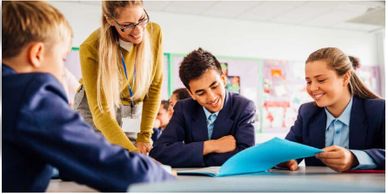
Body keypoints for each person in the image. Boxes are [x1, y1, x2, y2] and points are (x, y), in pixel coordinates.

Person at [2, 1, 174, 192]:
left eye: (141, 20)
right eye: (63, 59)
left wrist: (143, 138)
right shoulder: (31, 96)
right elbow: (99, 158)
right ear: (37, 54)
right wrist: (160, 173)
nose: (62, 71)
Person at [74, 1, 163, 154]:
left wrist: (144, 136)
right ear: (110, 20)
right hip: (97, 109)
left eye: (141, 19)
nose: (138, 30)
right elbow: (101, 112)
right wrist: (133, 155)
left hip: (132, 104)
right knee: (101, 159)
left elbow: (154, 87)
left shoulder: (154, 32)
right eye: (127, 25)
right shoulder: (91, 47)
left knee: (135, 157)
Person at [280, 47, 385, 172]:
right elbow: (287, 151)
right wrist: (285, 160)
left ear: (345, 78)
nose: (312, 88)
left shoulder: (379, 110)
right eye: (308, 82)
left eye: (321, 80)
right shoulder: (307, 112)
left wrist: (354, 158)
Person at [150, 48, 256, 167]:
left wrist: (193, 157)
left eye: (214, 86)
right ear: (191, 94)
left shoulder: (244, 107)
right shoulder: (184, 108)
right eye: (201, 93)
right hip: (194, 182)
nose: (211, 97)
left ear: (223, 79)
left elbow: (246, 157)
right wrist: (211, 145)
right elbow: (159, 153)